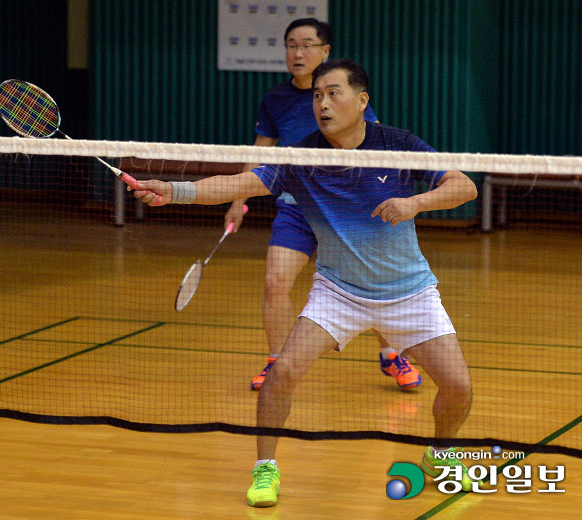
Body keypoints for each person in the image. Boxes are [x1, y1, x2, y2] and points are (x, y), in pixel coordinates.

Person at [130, 59, 479, 507]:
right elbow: (237, 183)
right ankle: (265, 468)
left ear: (361, 100)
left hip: (409, 292)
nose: (323, 103)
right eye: (317, 95)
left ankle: (441, 454)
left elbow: (464, 186)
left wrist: (415, 203)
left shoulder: (397, 144)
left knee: (458, 387)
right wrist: (173, 191)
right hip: (339, 293)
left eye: (334, 93)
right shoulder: (301, 157)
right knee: (283, 373)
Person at [224, 18, 421, 391]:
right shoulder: (275, 99)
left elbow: (371, 147)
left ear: (325, 50)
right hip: (296, 208)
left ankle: (391, 354)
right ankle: (276, 361)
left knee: (374, 281)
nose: (298, 53)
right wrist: (239, 199)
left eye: (307, 45)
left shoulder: (346, 93)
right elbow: (260, 151)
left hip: (348, 209)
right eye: (291, 45)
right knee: (274, 282)